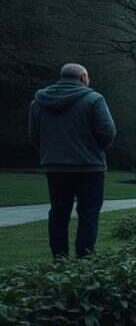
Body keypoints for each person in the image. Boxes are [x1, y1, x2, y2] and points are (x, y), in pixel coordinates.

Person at [29, 63, 116, 259]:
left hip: (56, 167)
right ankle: (84, 259)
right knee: (89, 214)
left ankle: (59, 259)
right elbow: (108, 131)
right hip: (90, 167)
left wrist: (50, 153)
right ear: (83, 77)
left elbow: (34, 136)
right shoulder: (94, 99)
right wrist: (97, 150)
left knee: (58, 213)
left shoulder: (39, 102)